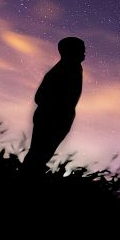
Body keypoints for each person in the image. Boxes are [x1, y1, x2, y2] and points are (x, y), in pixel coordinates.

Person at [22, 37, 85, 175]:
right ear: (70, 50)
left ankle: (30, 176)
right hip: (51, 118)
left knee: (41, 155)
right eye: (81, 47)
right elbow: (39, 97)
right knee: (38, 155)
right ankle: (26, 180)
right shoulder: (63, 69)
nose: (85, 51)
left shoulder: (74, 68)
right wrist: (57, 110)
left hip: (59, 118)